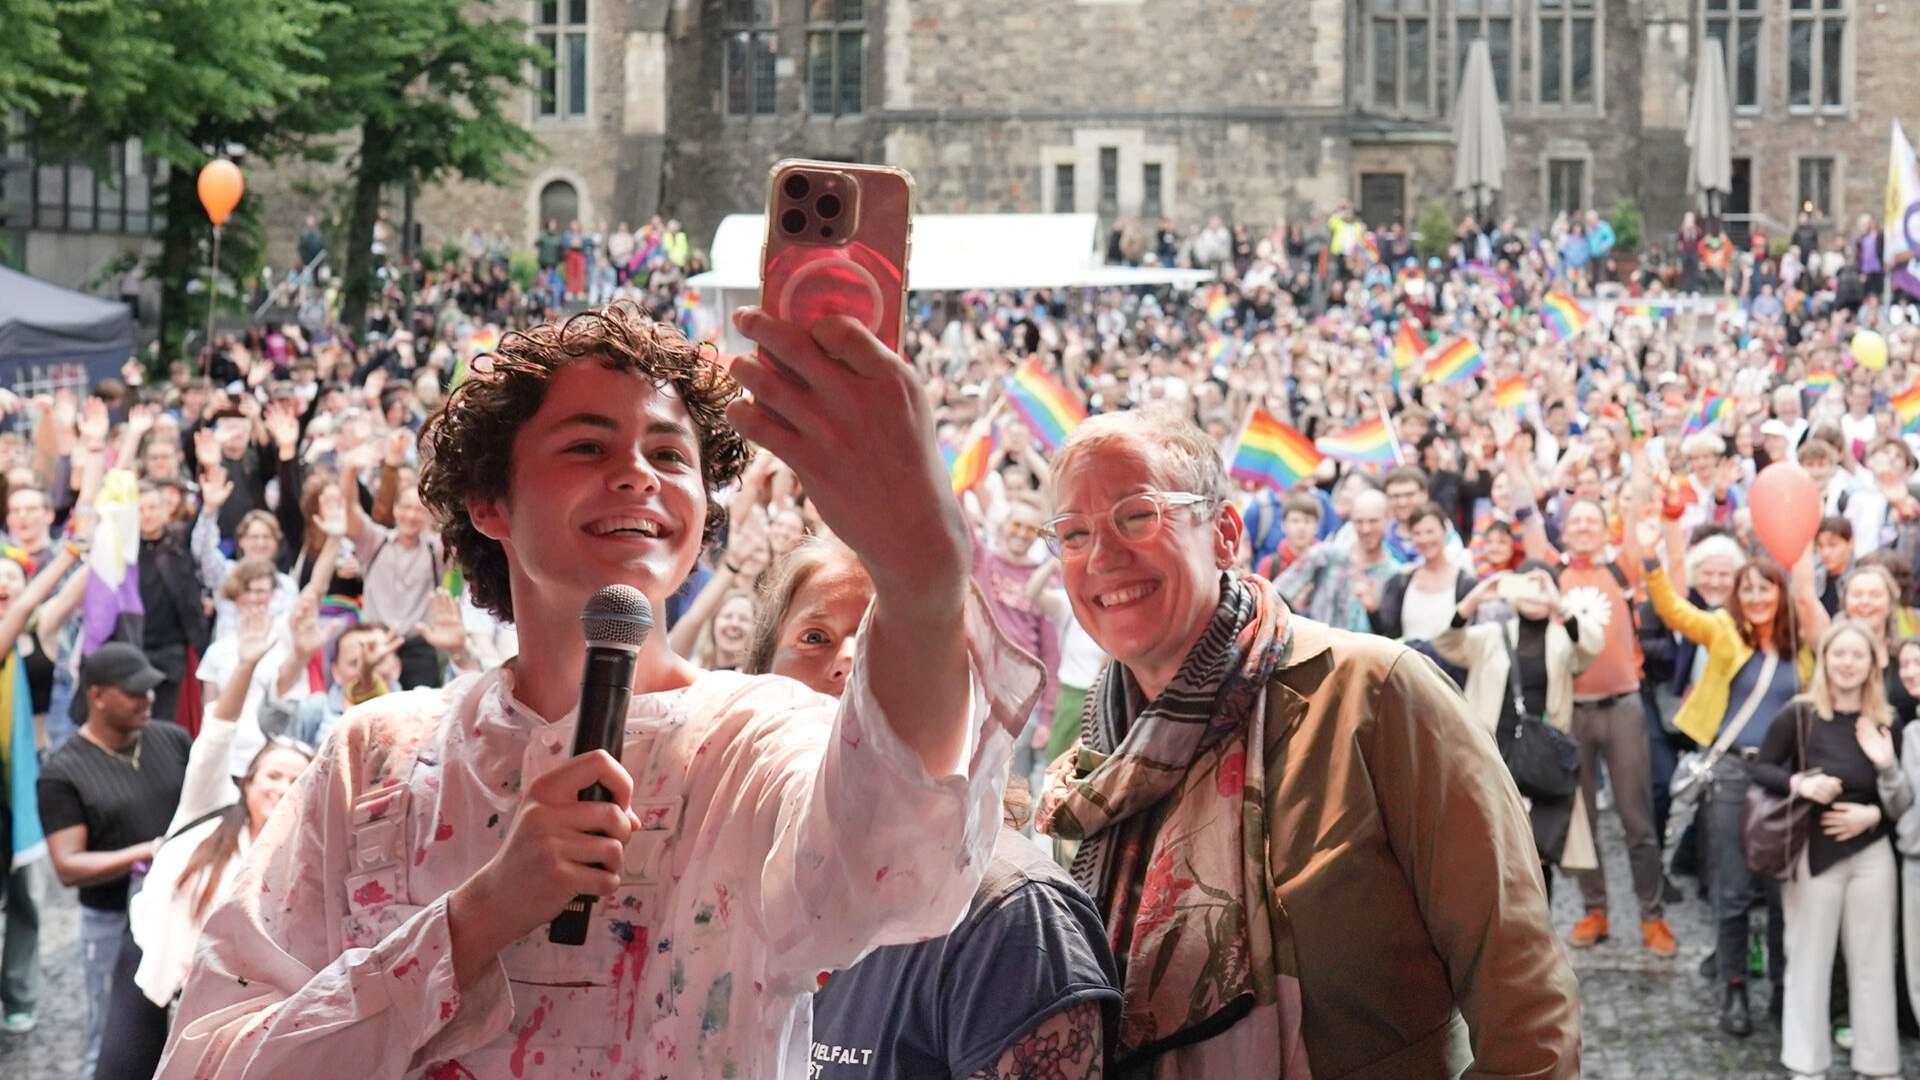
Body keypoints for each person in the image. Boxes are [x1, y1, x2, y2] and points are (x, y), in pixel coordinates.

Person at [157, 302, 1041, 1079]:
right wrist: (474, 920)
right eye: (588, 446)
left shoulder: (762, 739)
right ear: (488, 501)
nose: (639, 474)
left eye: (669, 452)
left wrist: (922, 582)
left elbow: (896, 867)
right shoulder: (372, 757)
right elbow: (211, 1056)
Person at [1036, 410, 1578, 1077]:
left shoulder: (1376, 696)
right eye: (1073, 533)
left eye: (1137, 515)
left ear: (1225, 534)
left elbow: (1524, 1000)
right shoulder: (1095, 766)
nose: (1101, 556)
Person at [747, 537, 1120, 1078]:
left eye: (890, 642)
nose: (850, 662)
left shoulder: (1011, 915)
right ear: (757, 681)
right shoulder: (729, 880)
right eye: (814, 638)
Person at [1639, 513, 1815, 1034]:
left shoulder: (1802, 646)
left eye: (1767, 589)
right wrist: (1652, 558)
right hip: (1734, 773)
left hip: (1787, 778)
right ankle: (1733, 988)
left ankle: (1783, 990)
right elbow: (1672, 608)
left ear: (1780, 595)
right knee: (1733, 888)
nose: (1758, 598)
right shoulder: (1721, 630)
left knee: (1783, 894)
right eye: (1750, 589)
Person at [1750, 619, 1910, 1080]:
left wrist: (1876, 808)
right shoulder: (1800, 714)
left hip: (1872, 855)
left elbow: (1902, 801)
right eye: (1838, 653)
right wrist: (1802, 783)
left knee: (1874, 961)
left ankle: (1877, 1064)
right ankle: (1805, 1062)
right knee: (1808, 957)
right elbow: (1763, 769)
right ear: (1825, 660)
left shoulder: (1886, 721)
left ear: (1871, 665)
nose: (1847, 663)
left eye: (1857, 655)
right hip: (1813, 855)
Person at [38, 642, 190, 1077]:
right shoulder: (63, 771)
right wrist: (149, 851)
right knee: (110, 1035)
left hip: (179, 911)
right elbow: (68, 866)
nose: (147, 699)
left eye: (149, 690)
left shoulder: (170, 738)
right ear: (97, 695)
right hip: (109, 920)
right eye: (133, 692)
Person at [1435, 562, 1601, 896]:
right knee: (1490, 846)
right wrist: (1476, 598)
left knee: (1539, 852)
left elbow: (1592, 646)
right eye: (1526, 585)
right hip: (1493, 752)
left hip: (1542, 756)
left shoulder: (1563, 640)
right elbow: (1446, 642)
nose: (1534, 595)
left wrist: (1559, 605)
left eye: (1542, 586)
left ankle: (1539, 936)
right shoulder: (1491, 636)